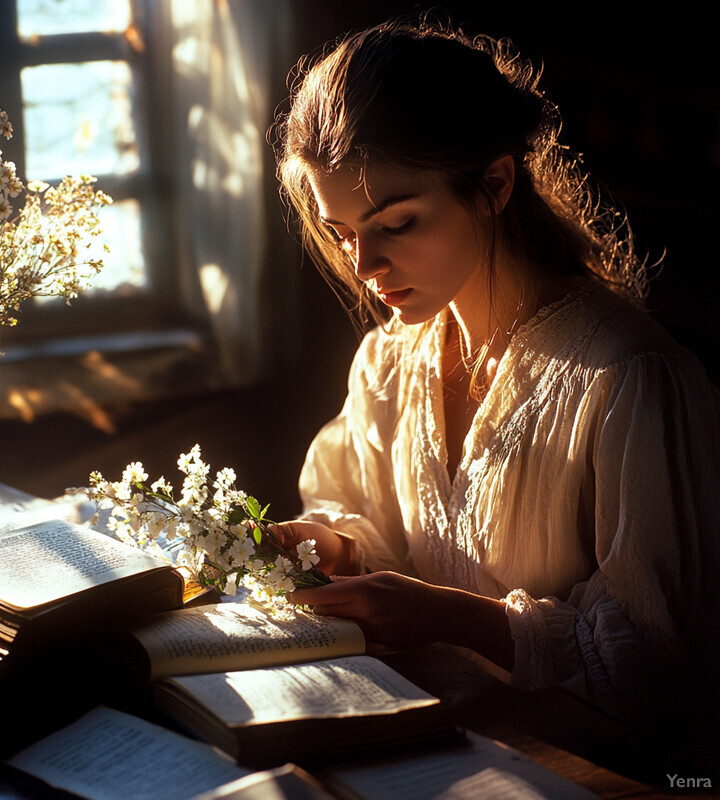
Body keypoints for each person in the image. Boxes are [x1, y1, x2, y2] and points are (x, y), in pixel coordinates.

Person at [270, 16, 720, 766]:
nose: (363, 265)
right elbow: (378, 522)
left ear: (495, 183)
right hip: (428, 756)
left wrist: (457, 619)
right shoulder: (391, 361)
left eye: (397, 223)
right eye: (341, 232)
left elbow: (659, 672)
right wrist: (338, 545)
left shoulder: (629, 381)